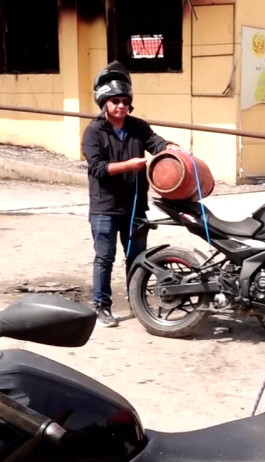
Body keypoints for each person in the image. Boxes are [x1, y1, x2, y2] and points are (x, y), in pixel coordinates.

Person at [82, 61, 178, 328]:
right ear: (105, 103)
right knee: (105, 259)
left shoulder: (138, 126)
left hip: (135, 207)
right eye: (115, 101)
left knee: (137, 259)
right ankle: (102, 307)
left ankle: (137, 303)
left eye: (125, 101)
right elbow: (98, 168)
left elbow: (156, 143)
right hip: (105, 208)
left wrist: (172, 147)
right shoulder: (93, 131)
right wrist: (129, 165)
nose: (121, 106)